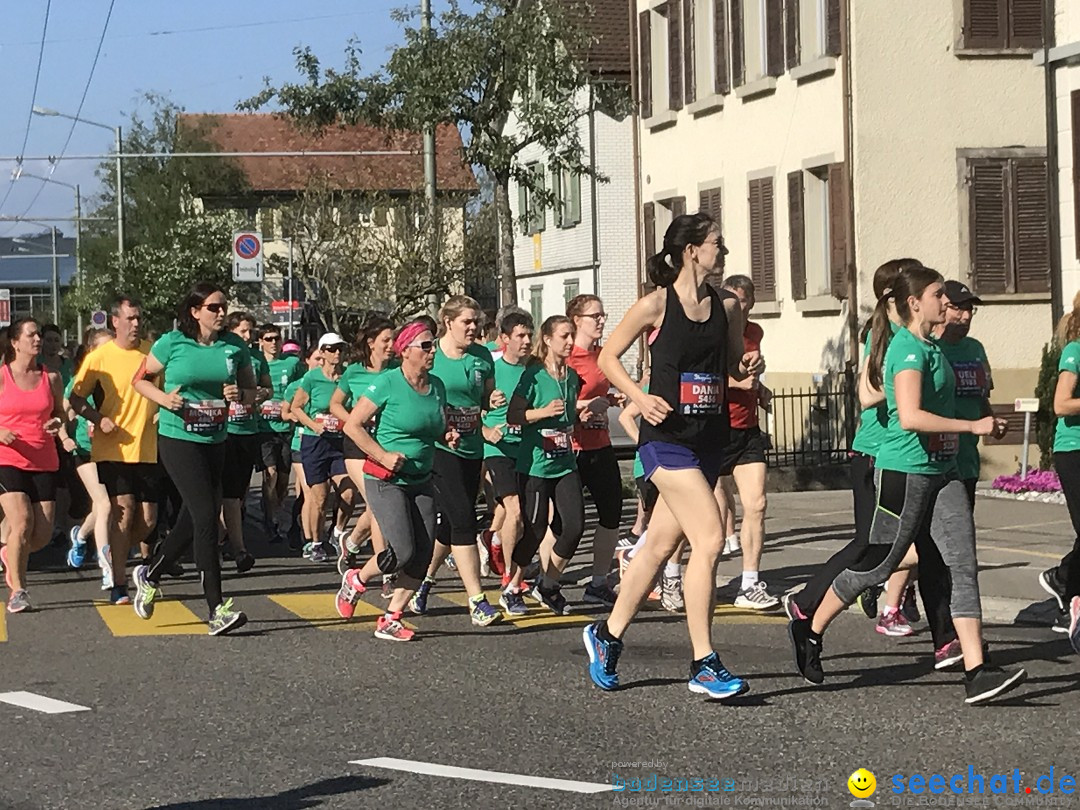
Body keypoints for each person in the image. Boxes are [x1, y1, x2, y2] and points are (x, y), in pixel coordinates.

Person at [787, 264, 1025, 704]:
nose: (945, 302)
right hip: (904, 470)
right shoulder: (907, 350)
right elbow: (911, 417)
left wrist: (977, 422)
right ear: (916, 303)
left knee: (962, 564)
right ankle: (810, 627)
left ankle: (976, 672)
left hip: (945, 469)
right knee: (880, 563)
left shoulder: (935, 348)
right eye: (938, 295)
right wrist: (973, 427)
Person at [583, 213, 763, 698]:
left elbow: (728, 365)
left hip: (709, 437)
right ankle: (704, 662)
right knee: (708, 540)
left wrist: (747, 365)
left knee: (660, 546)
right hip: (665, 439)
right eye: (717, 245)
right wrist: (639, 400)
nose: (722, 253)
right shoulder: (655, 305)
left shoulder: (727, 307)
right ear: (691, 250)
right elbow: (606, 358)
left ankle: (606, 634)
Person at [130, 282, 256, 636]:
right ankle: (217, 609)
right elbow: (139, 380)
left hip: (215, 436)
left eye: (223, 307)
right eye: (214, 308)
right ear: (195, 311)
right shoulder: (172, 343)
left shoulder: (235, 347)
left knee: (192, 519)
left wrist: (239, 394)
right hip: (177, 437)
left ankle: (151, 573)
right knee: (205, 516)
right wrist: (162, 398)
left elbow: (254, 392)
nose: (220, 313)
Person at [336, 321, 457, 641]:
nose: (432, 352)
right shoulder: (388, 383)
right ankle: (356, 580)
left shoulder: (437, 386)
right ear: (406, 351)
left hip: (421, 478)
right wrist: (382, 455)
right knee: (402, 551)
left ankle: (391, 617)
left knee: (423, 554)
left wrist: (448, 433)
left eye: (434, 345)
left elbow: (435, 424)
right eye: (426, 346)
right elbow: (353, 426)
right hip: (386, 478)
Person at [409, 295, 504, 626]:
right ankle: (477, 601)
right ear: (448, 322)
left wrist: (491, 402)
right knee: (464, 519)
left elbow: (485, 400)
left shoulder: (481, 357)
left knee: (450, 526)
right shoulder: (431, 355)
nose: (474, 327)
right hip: (441, 449)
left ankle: (424, 579)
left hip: (472, 448)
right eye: (467, 321)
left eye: (476, 321)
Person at [502, 315, 585, 614]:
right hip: (535, 465)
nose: (571, 342)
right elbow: (514, 416)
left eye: (573, 335)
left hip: (564, 463)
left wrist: (582, 416)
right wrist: (543, 412)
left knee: (574, 527)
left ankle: (548, 585)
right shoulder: (533, 375)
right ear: (548, 339)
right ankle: (512, 586)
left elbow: (569, 415)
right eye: (564, 336)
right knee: (535, 529)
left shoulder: (572, 377)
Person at [714, 275, 779, 610]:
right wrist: (739, 385)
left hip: (747, 429)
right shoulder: (713, 332)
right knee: (703, 516)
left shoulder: (754, 332)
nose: (738, 306)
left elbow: (750, 374)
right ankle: (670, 574)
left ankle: (749, 583)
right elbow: (705, 378)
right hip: (714, 427)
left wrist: (760, 390)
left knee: (757, 504)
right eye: (732, 300)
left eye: (744, 300)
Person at [0, 318, 66, 613]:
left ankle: (8, 551)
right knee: (22, 522)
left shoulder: (51, 377)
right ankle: (18, 591)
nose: (37, 339)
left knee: (40, 535)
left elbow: (62, 413)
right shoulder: (2, 376)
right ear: (15, 342)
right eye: (31, 335)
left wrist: (58, 423)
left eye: (39, 334)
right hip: (7, 458)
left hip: (43, 458)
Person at [564, 295, 622, 607]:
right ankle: (542, 580)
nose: (601, 321)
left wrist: (613, 399)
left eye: (603, 314)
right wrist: (581, 408)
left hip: (600, 444)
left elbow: (604, 390)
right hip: (570, 447)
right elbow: (554, 400)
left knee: (611, 512)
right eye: (594, 316)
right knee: (565, 523)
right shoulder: (567, 357)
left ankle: (598, 582)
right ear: (576, 320)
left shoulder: (603, 356)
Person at [330, 316, 394, 581]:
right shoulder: (354, 371)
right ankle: (386, 568)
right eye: (386, 340)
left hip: (387, 444)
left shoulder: (398, 370)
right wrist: (354, 419)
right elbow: (335, 405)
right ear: (371, 343)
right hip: (357, 444)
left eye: (394, 340)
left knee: (381, 505)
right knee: (376, 504)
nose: (391, 346)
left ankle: (352, 542)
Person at [482, 312, 533, 613]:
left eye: (529, 335)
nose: (527, 341)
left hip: (527, 449)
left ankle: (496, 540)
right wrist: (486, 427)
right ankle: (509, 581)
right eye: (520, 336)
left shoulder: (536, 371)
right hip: (497, 449)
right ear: (504, 339)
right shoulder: (491, 369)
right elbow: (466, 403)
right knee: (513, 511)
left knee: (528, 517)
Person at [291, 332, 355, 563]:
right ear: (322, 352)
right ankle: (316, 542)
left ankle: (337, 532)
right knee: (320, 497)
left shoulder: (348, 376)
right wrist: (313, 425)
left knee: (348, 491)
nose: (337, 353)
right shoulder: (311, 378)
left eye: (340, 348)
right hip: (315, 442)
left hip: (340, 441)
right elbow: (296, 407)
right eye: (331, 349)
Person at [61, 329, 116, 597]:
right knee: (105, 504)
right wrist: (63, 437)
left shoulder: (120, 378)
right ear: (91, 352)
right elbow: (62, 412)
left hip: (114, 450)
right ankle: (107, 569)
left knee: (106, 506)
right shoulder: (79, 381)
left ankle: (80, 535)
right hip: (84, 449)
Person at [1044, 294, 1080, 649]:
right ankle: (1068, 590)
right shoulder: (1075, 351)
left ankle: (1062, 577)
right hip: (1073, 449)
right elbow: (1060, 404)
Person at [221, 312, 267, 573]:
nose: (249, 337)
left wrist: (258, 394)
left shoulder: (257, 358)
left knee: (238, 494)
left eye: (251, 332)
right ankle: (236, 548)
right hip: (224, 431)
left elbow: (266, 387)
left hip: (249, 430)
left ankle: (231, 541)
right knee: (224, 493)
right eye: (243, 332)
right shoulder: (222, 353)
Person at [256, 324, 301, 546]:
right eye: (269, 338)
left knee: (283, 482)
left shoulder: (291, 364)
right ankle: (271, 521)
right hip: (264, 430)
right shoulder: (256, 364)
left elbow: (303, 389)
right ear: (261, 342)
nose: (273, 343)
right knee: (270, 475)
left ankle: (272, 508)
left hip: (286, 430)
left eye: (276, 338)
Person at [281, 346, 322, 553]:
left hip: (324, 443)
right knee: (309, 492)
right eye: (316, 358)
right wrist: (299, 417)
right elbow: (285, 413)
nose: (320, 362)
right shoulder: (296, 386)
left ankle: (317, 533)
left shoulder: (332, 383)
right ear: (307, 360)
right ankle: (308, 539)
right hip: (300, 442)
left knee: (320, 495)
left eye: (323, 358)